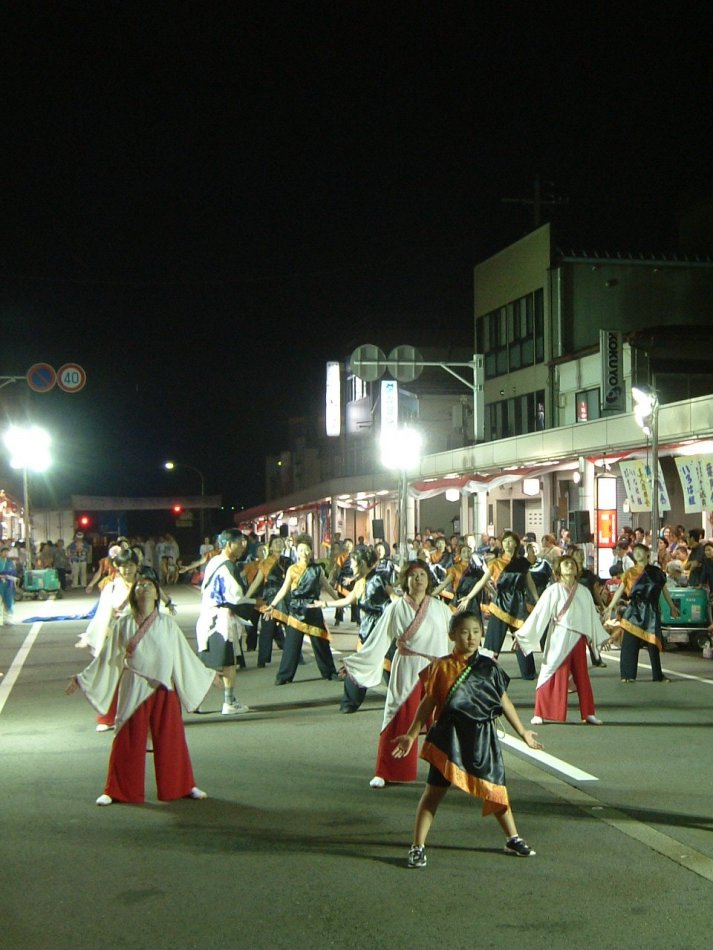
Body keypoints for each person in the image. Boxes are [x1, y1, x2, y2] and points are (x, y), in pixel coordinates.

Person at [392, 610, 541, 868]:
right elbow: (428, 703)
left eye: (475, 632)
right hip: (449, 739)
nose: (470, 637)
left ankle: (512, 838)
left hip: (483, 738)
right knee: (433, 794)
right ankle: (417, 846)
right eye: (464, 632)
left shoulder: (489, 667)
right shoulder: (441, 667)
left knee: (496, 791)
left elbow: (504, 702)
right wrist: (412, 734)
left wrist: (523, 732)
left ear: (482, 635)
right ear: (452, 635)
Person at [66, 575, 216, 805]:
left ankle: (183, 786)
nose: (144, 588)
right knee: (127, 737)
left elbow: (183, 655)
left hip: (164, 686)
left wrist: (209, 675)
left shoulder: (167, 623)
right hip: (134, 684)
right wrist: (82, 678)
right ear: (133, 594)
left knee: (172, 739)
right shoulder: (123, 624)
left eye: (149, 585)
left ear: (157, 593)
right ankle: (116, 790)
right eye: (140, 586)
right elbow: (108, 657)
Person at [342, 561, 452, 788]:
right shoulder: (395, 608)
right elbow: (378, 640)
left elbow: (456, 639)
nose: (419, 579)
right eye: (413, 576)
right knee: (398, 715)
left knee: (443, 721)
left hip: (436, 668)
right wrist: (355, 664)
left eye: (422, 575)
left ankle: (448, 770)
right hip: (407, 666)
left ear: (429, 580)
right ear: (405, 581)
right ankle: (388, 771)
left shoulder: (441, 608)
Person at [514, 555, 608, 725]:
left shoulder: (584, 591)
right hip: (559, 636)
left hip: (578, 638)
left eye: (572, 564)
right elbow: (539, 614)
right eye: (565, 564)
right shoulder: (552, 590)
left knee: (582, 676)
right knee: (549, 672)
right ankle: (540, 712)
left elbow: (592, 617)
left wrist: (600, 637)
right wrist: (523, 636)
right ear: (558, 570)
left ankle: (588, 713)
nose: (570, 566)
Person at [315, 547, 396, 713]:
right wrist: (325, 604)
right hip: (366, 631)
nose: (351, 565)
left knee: (390, 667)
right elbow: (347, 601)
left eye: (353, 562)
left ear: (364, 563)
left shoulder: (380, 578)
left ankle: (406, 701)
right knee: (359, 666)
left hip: (383, 629)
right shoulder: (359, 583)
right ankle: (349, 702)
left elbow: (394, 598)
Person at [265, 533, 340, 685]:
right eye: (300, 550)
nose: (303, 553)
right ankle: (284, 676)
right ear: (296, 551)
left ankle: (330, 672)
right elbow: (284, 590)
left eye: (306, 550)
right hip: (296, 610)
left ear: (311, 552)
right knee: (291, 645)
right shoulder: (292, 570)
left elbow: (328, 588)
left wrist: (339, 602)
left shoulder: (317, 570)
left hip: (313, 609)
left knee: (321, 644)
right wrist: (272, 605)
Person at [603, 543, 680, 683]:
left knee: (653, 645)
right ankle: (627, 675)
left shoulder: (657, 572)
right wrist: (610, 606)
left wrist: (672, 606)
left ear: (647, 554)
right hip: (634, 611)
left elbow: (664, 591)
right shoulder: (630, 572)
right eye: (635, 551)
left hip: (651, 610)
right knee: (629, 643)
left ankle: (658, 676)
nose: (637, 554)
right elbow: (621, 590)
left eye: (640, 551)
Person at [196, 529, 251, 715]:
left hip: (207, 619)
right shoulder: (228, 566)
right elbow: (235, 596)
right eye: (240, 542)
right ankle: (229, 702)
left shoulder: (214, 561)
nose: (243, 546)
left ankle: (196, 701)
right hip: (222, 621)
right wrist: (252, 607)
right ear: (229, 544)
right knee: (228, 664)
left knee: (209, 663)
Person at [481, 531, 539, 680]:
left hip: (518, 605)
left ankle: (529, 672)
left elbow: (530, 583)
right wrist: (469, 596)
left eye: (510, 541)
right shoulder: (495, 563)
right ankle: (485, 671)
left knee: (522, 639)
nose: (507, 543)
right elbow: (482, 582)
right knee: (492, 642)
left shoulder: (523, 563)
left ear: (516, 544)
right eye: (505, 541)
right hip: (500, 605)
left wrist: (538, 600)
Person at [243, 536, 287, 668]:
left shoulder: (289, 561)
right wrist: (246, 597)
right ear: (271, 547)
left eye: (280, 542)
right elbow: (256, 583)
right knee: (267, 629)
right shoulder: (265, 563)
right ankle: (262, 659)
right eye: (275, 542)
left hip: (285, 596)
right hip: (270, 597)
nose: (278, 544)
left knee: (292, 628)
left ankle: (296, 656)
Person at [0, 546, 17, 625]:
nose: (6, 553)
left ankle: (6, 619)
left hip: (8, 584)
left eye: (7, 552)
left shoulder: (10, 562)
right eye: (4, 552)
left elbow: (13, 572)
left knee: (8, 601)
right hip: (0, 583)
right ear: (1, 553)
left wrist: (13, 579)